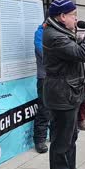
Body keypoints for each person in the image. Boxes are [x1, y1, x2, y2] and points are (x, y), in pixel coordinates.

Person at [42, 0, 85, 169]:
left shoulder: (62, 31)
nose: (76, 19)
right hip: (60, 94)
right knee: (60, 140)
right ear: (62, 16)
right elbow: (82, 54)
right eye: (73, 15)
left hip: (70, 91)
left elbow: (75, 52)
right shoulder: (53, 35)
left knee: (71, 136)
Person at [33, 23, 50, 153]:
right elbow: (44, 54)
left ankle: (54, 134)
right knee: (44, 109)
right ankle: (40, 140)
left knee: (57, 108)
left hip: (58, 77)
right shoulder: (40, 33)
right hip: (45, 77)